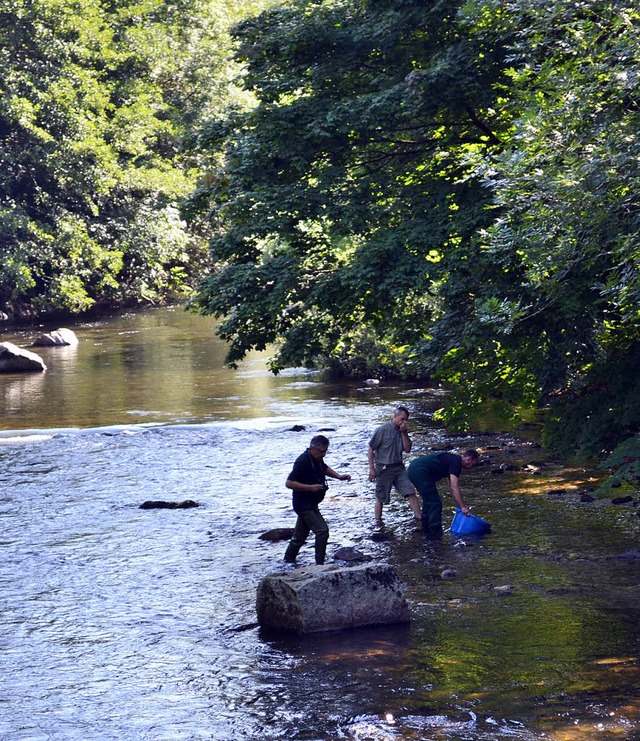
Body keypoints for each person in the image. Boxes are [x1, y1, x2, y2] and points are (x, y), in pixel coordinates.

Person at [284, 434, 351, 565]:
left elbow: (324, 468)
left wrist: (339, 477)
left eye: (325, 451)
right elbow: (289, 483)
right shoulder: (302, 461)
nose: (323, 454)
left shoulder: (317, 458)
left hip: (312, 503)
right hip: (303, 505)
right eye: (321, 451)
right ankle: (319, 564)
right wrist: (310, 488)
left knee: (299, 537)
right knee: (322, 531)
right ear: (312, 448)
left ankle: (288, 561)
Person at [407, 449, 480, 539]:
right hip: (420, 471)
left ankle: (425, 530)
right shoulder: (456, 462)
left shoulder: (452, 460)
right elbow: (454, 486)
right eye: (474, 463)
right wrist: (462, 507)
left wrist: (460, 506)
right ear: (469, 459)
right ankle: (436, 534)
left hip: (415, 469)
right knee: (435, 503)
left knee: (428, 500)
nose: (473, 467)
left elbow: (451, 486)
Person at [368, 406, 422, 523]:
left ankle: (419, 518)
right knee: (381, 497)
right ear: (395, 416)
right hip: (383, 468)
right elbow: (371, 448)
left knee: (410, 492)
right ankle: (378, 522)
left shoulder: (403, 432)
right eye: (402, 419)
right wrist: (371, 469)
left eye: (406, 420)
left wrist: (404, 433)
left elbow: (407, 449)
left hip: (399, 468)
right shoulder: (382, 430)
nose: (404, 422)